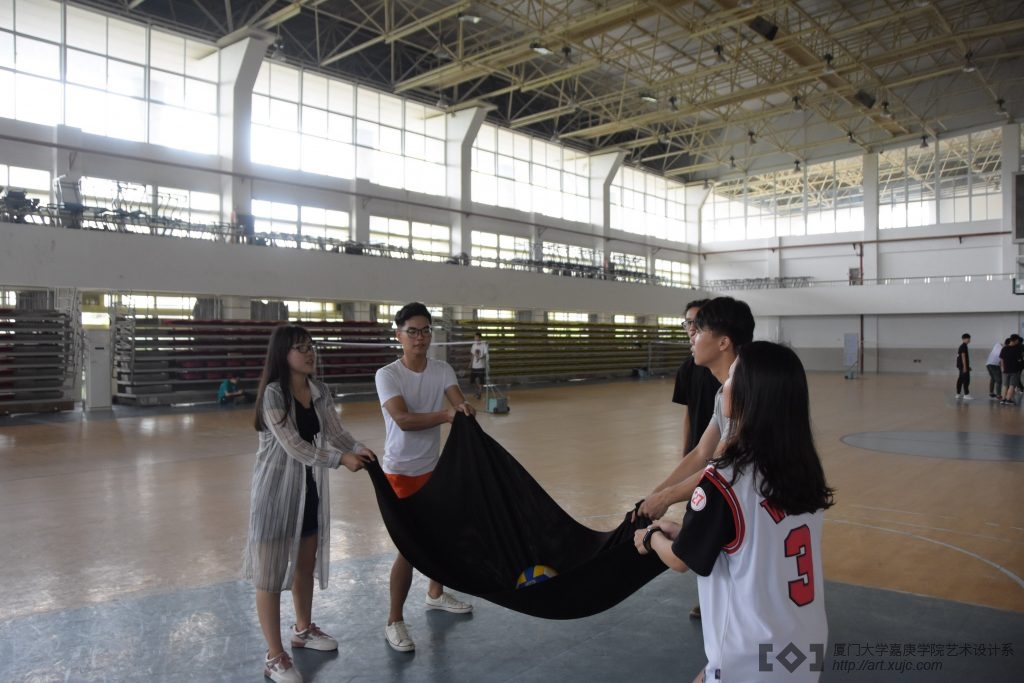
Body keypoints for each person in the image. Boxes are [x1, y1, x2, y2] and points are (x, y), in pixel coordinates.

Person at [635, 341, 834, 683]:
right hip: (804, 646)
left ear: (748, 395)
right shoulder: (803, 472)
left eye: (733, 377)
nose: (725, 383)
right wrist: (688, 533)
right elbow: (755, 540)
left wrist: (651, 536)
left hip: (749, 658)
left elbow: (681, 560)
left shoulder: (725, 478)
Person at [242, 325, 376, 683]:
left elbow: (335, 432)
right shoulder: (274, 394)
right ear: (283, 354)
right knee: (270, 575)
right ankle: (274, 655)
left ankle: (302, 630)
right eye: (301, 348)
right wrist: (340, 459)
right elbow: (294, 446)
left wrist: (357, 447)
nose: (309, 353)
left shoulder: (320, 391)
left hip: (308, 490)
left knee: (305, 564)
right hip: (274, 493)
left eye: (311, 346)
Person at [375, 302, 477, 652]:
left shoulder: (442, 369)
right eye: (413, 331)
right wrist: (447, 415)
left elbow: (457, 403)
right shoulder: (388, 375)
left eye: (425, 331)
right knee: (409, 548)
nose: (420, 338)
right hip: (400, 473)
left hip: (433, 469)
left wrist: (463, 410)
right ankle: (394, 620)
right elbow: (403, 419)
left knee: (439, 536)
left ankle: (435, 593)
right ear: (399, 335)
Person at [637, 296, 755, 523]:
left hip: (747, 511)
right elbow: (702, 452)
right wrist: (655, 495)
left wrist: (666, 498)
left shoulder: (744, 394)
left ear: (723, 343)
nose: (692, 337)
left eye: (699, 331)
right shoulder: (722, 394)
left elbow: (722, 467)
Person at [670, 298, 719, 619]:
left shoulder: (729, 370)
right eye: (687, 323)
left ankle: (723, 595)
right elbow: (689, 414)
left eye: (697, 323)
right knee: (701, 526)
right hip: (700, 459)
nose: (691, 329)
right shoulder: (688, 368)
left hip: (723, 459)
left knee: (720, 530)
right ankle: (708, 596)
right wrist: (685, 455)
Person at [999, 334, 1022, 406]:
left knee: (1004, 385)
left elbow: (1001, 359)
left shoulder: (1004, 348)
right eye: (1017, 340)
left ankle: (1003, 400)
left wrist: (1002, 367)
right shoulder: (1017, 349)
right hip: (1014, 370)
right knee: (1012, 385)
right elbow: (1019, 359)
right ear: (1016, 340)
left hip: (1005, 370)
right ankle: (1008, 400)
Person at [469, 332, 489, 399]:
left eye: (476, 337)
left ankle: (479, 393)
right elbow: (472, 355)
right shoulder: (474, 345)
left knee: (481, 381)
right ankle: (478, 391)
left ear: (480, 338)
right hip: (474, 366)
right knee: (472, 381)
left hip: (481, 366)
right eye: (475, 337)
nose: (475, 338)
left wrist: (480, 357)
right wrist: (471, 363)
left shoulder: (484, 345)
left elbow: (485, 355)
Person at [955, 333, 972, 399]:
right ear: (964, 339)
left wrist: (967, 366)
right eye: (968, 338)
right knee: (966, 380)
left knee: (960, 379)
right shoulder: (964, 346)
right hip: (963, 366)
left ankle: (958, 394)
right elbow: (963, 356)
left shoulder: (962, 346)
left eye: (969, 338)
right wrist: (965, 367)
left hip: (961, 366)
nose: (969, 340)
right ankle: (966, 394)